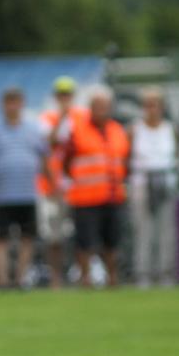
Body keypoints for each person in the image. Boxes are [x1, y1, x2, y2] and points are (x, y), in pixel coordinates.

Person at [0, 87, 53, 288]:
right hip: (2, 194)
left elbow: (45, 159)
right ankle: (2, 279)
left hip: (27, 193)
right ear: (3, 105)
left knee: (27, 238)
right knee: (1, 238)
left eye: (16, 101)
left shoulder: (34, 129)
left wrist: (51, 185)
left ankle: (20, 278)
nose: (12, 106)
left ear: (22, 104)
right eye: (8, 102)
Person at [63, 87, 130, 287]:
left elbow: (124, 160)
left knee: (112, 240)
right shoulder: (78, 130)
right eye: (97, 106)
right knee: (85, 241)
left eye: (105, 106)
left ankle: (112, 279)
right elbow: (67, 161)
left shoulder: (117, 130)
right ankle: (86, 279)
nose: (102, 110)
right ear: (90, 108)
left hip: (112, 196)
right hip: (85, 197)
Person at [39, 76, 89, 288]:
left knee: (82, 234)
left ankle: (83, 276)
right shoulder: (47, 117)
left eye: (67, 94)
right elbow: (47, 143)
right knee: (55, 237)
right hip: (53, 187)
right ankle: (55, 278)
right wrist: (62, 116)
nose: (65, 98)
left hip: (79, 186)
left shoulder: (83, 116)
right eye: (61, 95)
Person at [128, 87, 178, 287]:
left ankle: (166, 273)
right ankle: (143, 273)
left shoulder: (170, 129)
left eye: (154, 105)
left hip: (166, 182)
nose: (151, 109)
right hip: (142, 183)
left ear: (162, 107)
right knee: (143, 230)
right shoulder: (135, 129)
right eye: (147, 105)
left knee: (167, 230)